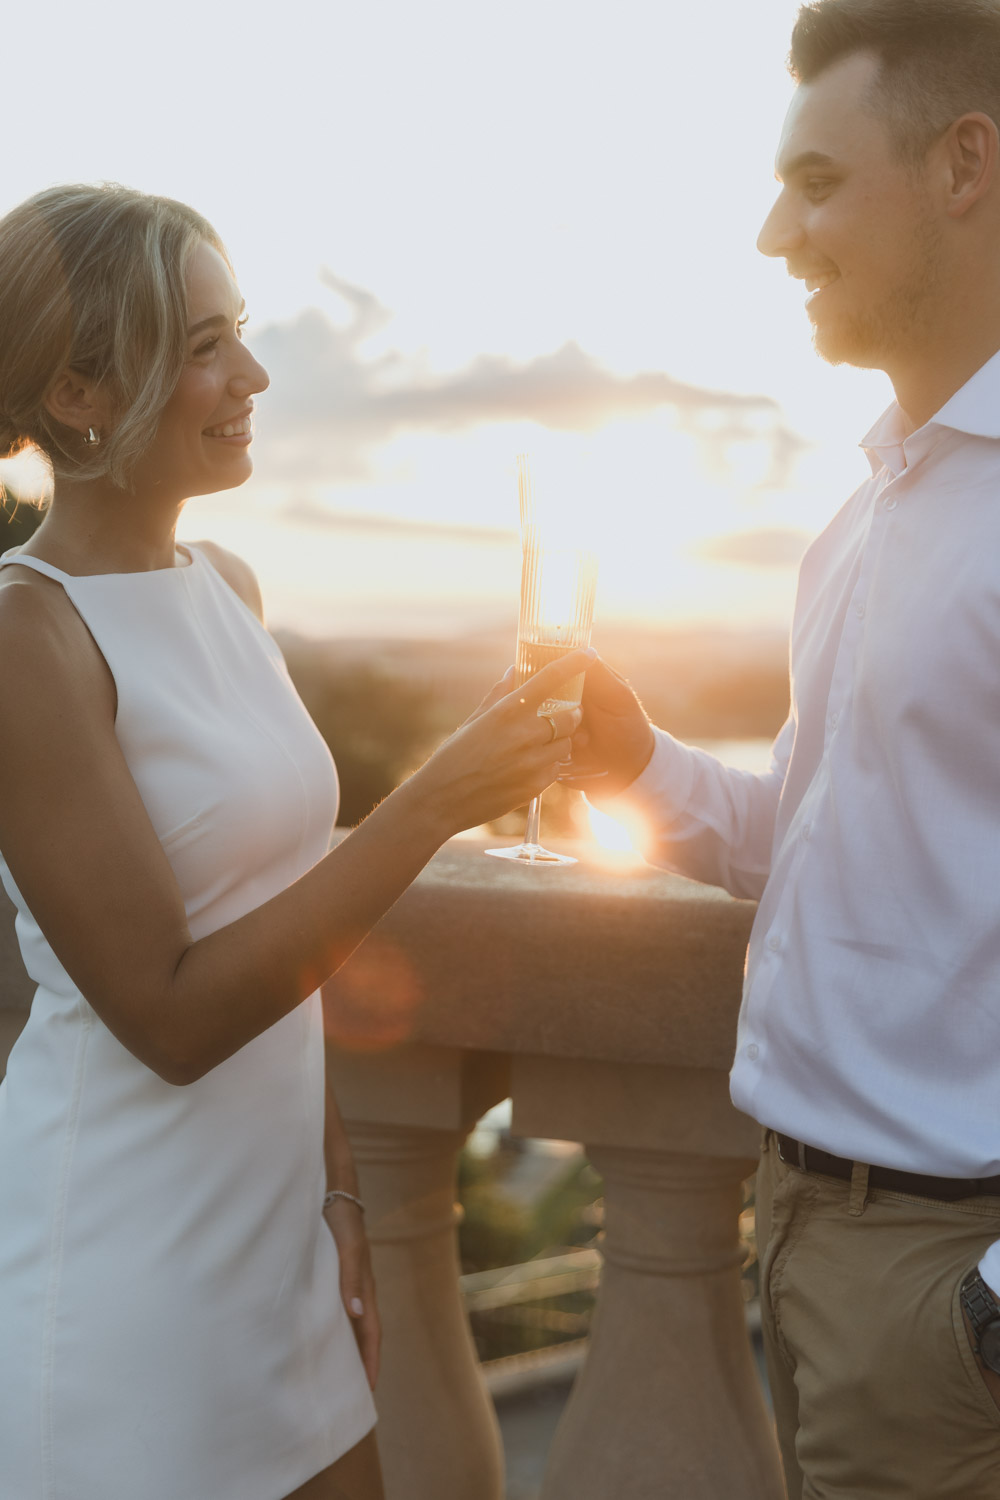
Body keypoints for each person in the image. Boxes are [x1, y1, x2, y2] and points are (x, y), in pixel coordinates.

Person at [0, 183, 591, 1500]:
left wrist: (337, 1192)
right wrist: (432, 803)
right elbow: (170, 1014)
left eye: (241, 332)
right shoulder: (25, 639)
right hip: (123, 1282)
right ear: (83, 394)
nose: (253, 374)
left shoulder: (229, 588)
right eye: (204, 345)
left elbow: (277, 921)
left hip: (285, 1255)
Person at [566, 1, 1000, 1495]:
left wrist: (989, 1314)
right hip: (812, 1235)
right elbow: (821, 848)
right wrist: (634, 763)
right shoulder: (876, 505)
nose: (772, 233)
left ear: (966, 164)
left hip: (943, 1283)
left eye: (816, 181)